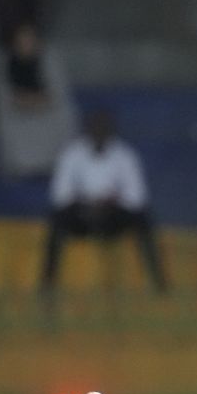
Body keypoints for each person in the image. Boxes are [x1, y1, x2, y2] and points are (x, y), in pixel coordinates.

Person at [40, 109, 167, 294]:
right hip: (81, 215)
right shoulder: (72, 154)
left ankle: (159, 284)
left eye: (104, 129)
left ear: (111, 131)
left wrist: (111, 202)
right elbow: (59, 195)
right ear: (87, 130)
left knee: (142, 219)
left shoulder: (126, 155)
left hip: (113, 217)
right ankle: (47, 286)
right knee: (57, 219)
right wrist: (85, 202)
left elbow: (138, 197)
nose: (99, 132)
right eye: (95, 128)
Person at [0, 22, 76, 177]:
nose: (25, 45)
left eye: (29, 40)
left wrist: (34, 101)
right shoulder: (4, 64)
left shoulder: (50, 61)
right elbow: (5, 100)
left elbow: (56, 96)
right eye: (21, 41)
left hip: (50, 137)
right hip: (18, 142)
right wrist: (28, 101)